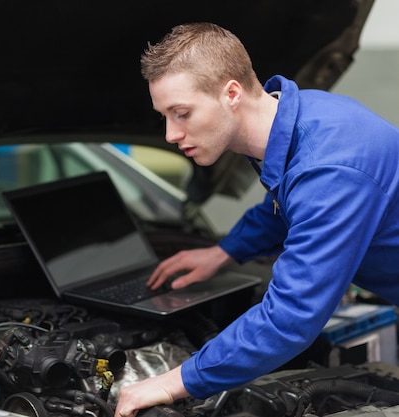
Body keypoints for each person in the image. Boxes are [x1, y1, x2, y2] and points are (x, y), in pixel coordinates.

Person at [113, 21, 399, 417]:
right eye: (164, 116)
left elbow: (290, 319)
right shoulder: (299, 118)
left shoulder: (330, 167)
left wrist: (172, 382)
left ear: (231, 93)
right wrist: (223, 252)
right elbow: (286, 208)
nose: (170, 134)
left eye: (181, 113)